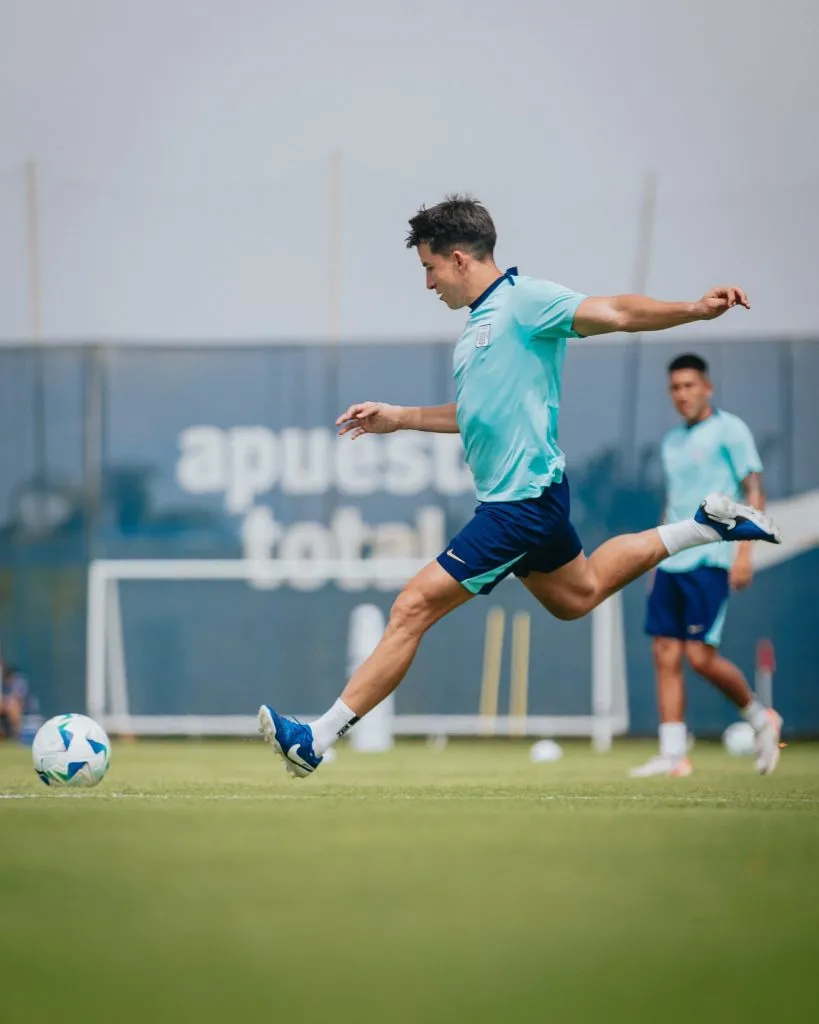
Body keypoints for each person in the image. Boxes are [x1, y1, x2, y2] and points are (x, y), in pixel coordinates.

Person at [257, 194, 781, 778]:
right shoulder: (476, 327)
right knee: (577, 597)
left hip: (519, 506)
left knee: (411, 607)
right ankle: (702, 526)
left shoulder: (522, 301)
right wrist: (398, 417)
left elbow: (616, 312)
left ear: (458, 259)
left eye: (429, 268)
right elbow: (473, 414)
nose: (427, 283)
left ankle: (316, 738)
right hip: (528, 501)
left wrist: (694, 309)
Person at [630, 354, 782, 777]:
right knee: (664, 654)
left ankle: (759, 717)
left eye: (689, 386)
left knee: (699, 656)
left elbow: (754, 489)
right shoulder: (670, 442)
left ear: (707, 388)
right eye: (675, 388)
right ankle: (673, 754)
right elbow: (672, 503)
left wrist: (746, 552)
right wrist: (653, 561)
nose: (682, 395)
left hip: (711, 559)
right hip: (671, 561)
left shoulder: (730, 430)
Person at [0, 663, 29, 740]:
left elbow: (18, 697)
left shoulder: (16, 679)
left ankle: (15, 735)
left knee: (14, 704)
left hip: (11, 705)